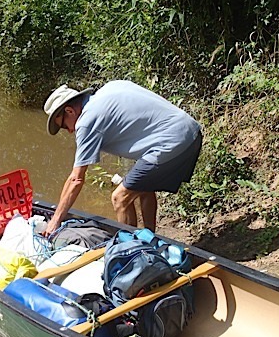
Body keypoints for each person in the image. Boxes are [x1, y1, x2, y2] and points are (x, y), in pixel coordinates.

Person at [42, 80, 202, 237]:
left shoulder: (86, 122)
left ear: (70, 111)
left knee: (119, 198)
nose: (70, 131)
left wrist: (55, 220)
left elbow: (76, 179)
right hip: (190, 131)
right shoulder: (110, 88)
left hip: (172, 143)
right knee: (144, 187)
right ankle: (149, 240)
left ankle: (130, 251)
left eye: (64, 126)